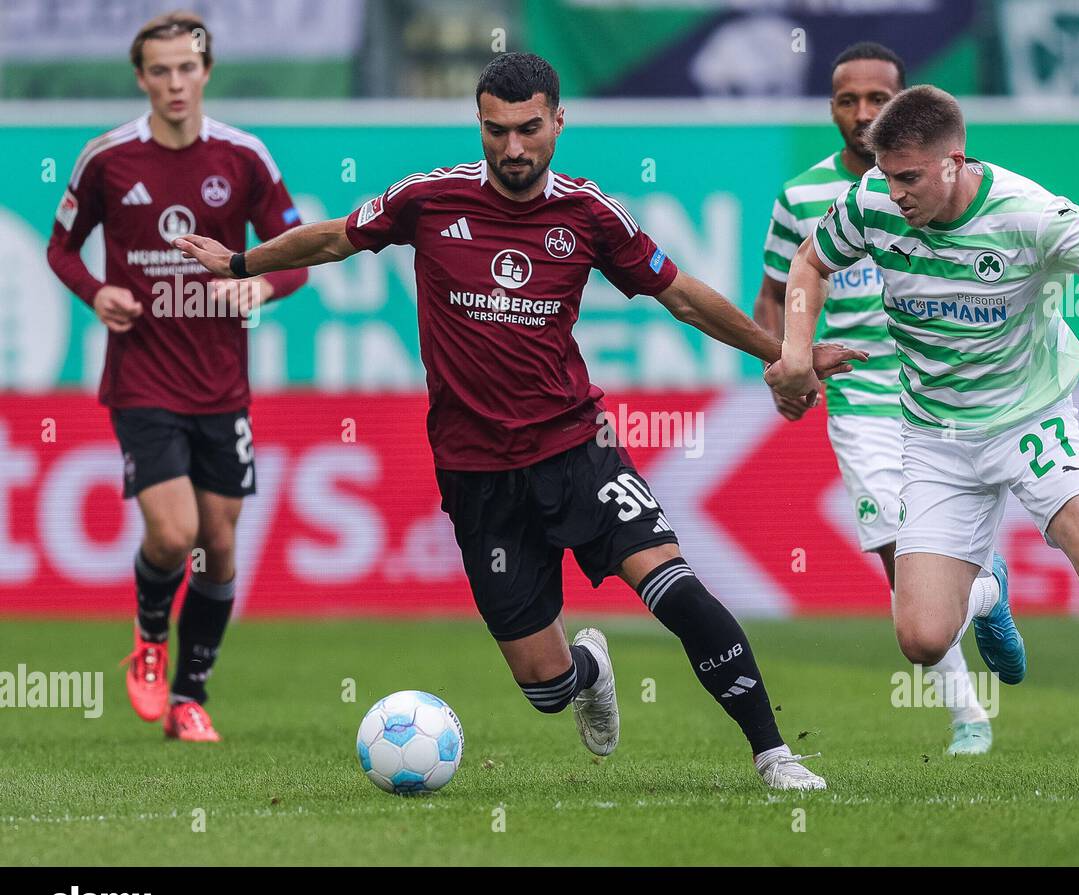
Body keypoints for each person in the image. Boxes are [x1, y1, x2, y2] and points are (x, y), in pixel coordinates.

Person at [175, 52, 866, 790]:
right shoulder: (427, 199)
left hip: (577, 447)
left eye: (528, 129)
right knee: (543, 685)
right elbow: (333, 238)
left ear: (558, 123)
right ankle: (592, 669)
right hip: (475, 471)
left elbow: (686, 297)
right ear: (479, 124)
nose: (512, 148)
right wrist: (241, 263)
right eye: (494, 130)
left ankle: (774, 756)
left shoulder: (591, 215)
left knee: (677, 589)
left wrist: (788, 354)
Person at [767, 84, 1079, 786]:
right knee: (921, 640)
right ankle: (988, 592)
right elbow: (811, 264)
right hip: (936, 438)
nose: (895, 193)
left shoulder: (1029, 214)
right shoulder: (869, 203)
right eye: (885, 176)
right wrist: (795, 351)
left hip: (1032, 422)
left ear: (956, 161)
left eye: (910, 177)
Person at [46, 10, 309, 742]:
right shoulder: (108, 159)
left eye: (186, 69)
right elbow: (61, 249)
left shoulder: (244, 157)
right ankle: (150, 637)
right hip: (143, 380)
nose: (174, 83)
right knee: (174, 532)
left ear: (206, 71)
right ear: (141, 78)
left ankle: (191, 697)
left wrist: (258, 285)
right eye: (159, 71)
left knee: (219, 548)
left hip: (222, 385)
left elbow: (297, 254)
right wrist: (96, 292)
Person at [756, 43, 1016, 756]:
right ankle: (967, 714)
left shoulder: (942, 184)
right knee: (900, 556)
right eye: (848, 99)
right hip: (863, 396)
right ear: (831, 107)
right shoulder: (803, 197)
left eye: (879, 98)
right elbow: (777, 297)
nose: (864, 112)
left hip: (948, 386)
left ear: (904, 104)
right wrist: (786, 366)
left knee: (935, 559)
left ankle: (984, 590)